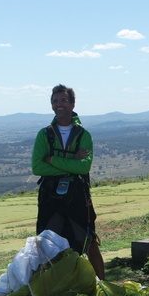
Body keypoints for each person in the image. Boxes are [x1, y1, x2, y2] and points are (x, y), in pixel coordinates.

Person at [31, 84, 106, 279]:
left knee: (87, 239)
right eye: (55, 101)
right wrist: (72, 159)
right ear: (51, 105)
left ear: (72, 104)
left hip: (77, 194)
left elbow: (84, 167)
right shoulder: (44, 134)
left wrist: (52, 159)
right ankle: (50, 286)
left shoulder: (84, 135)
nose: (59, 104)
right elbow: (37, 168)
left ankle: (103, 285)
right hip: (50, 195)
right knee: (47, 242)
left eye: (63, 100)